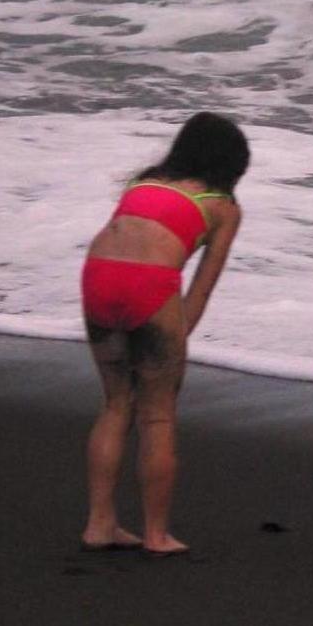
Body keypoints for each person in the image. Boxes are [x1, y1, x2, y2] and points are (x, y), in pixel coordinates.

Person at [80, 112, 250, 557]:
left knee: (116, 403)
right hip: (149, 285)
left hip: (97, 276)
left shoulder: (143, 184)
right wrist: (176, 340)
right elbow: (201, 286)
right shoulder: (223, 207)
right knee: (157, 413)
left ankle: (100, 524)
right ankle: (156, 534)